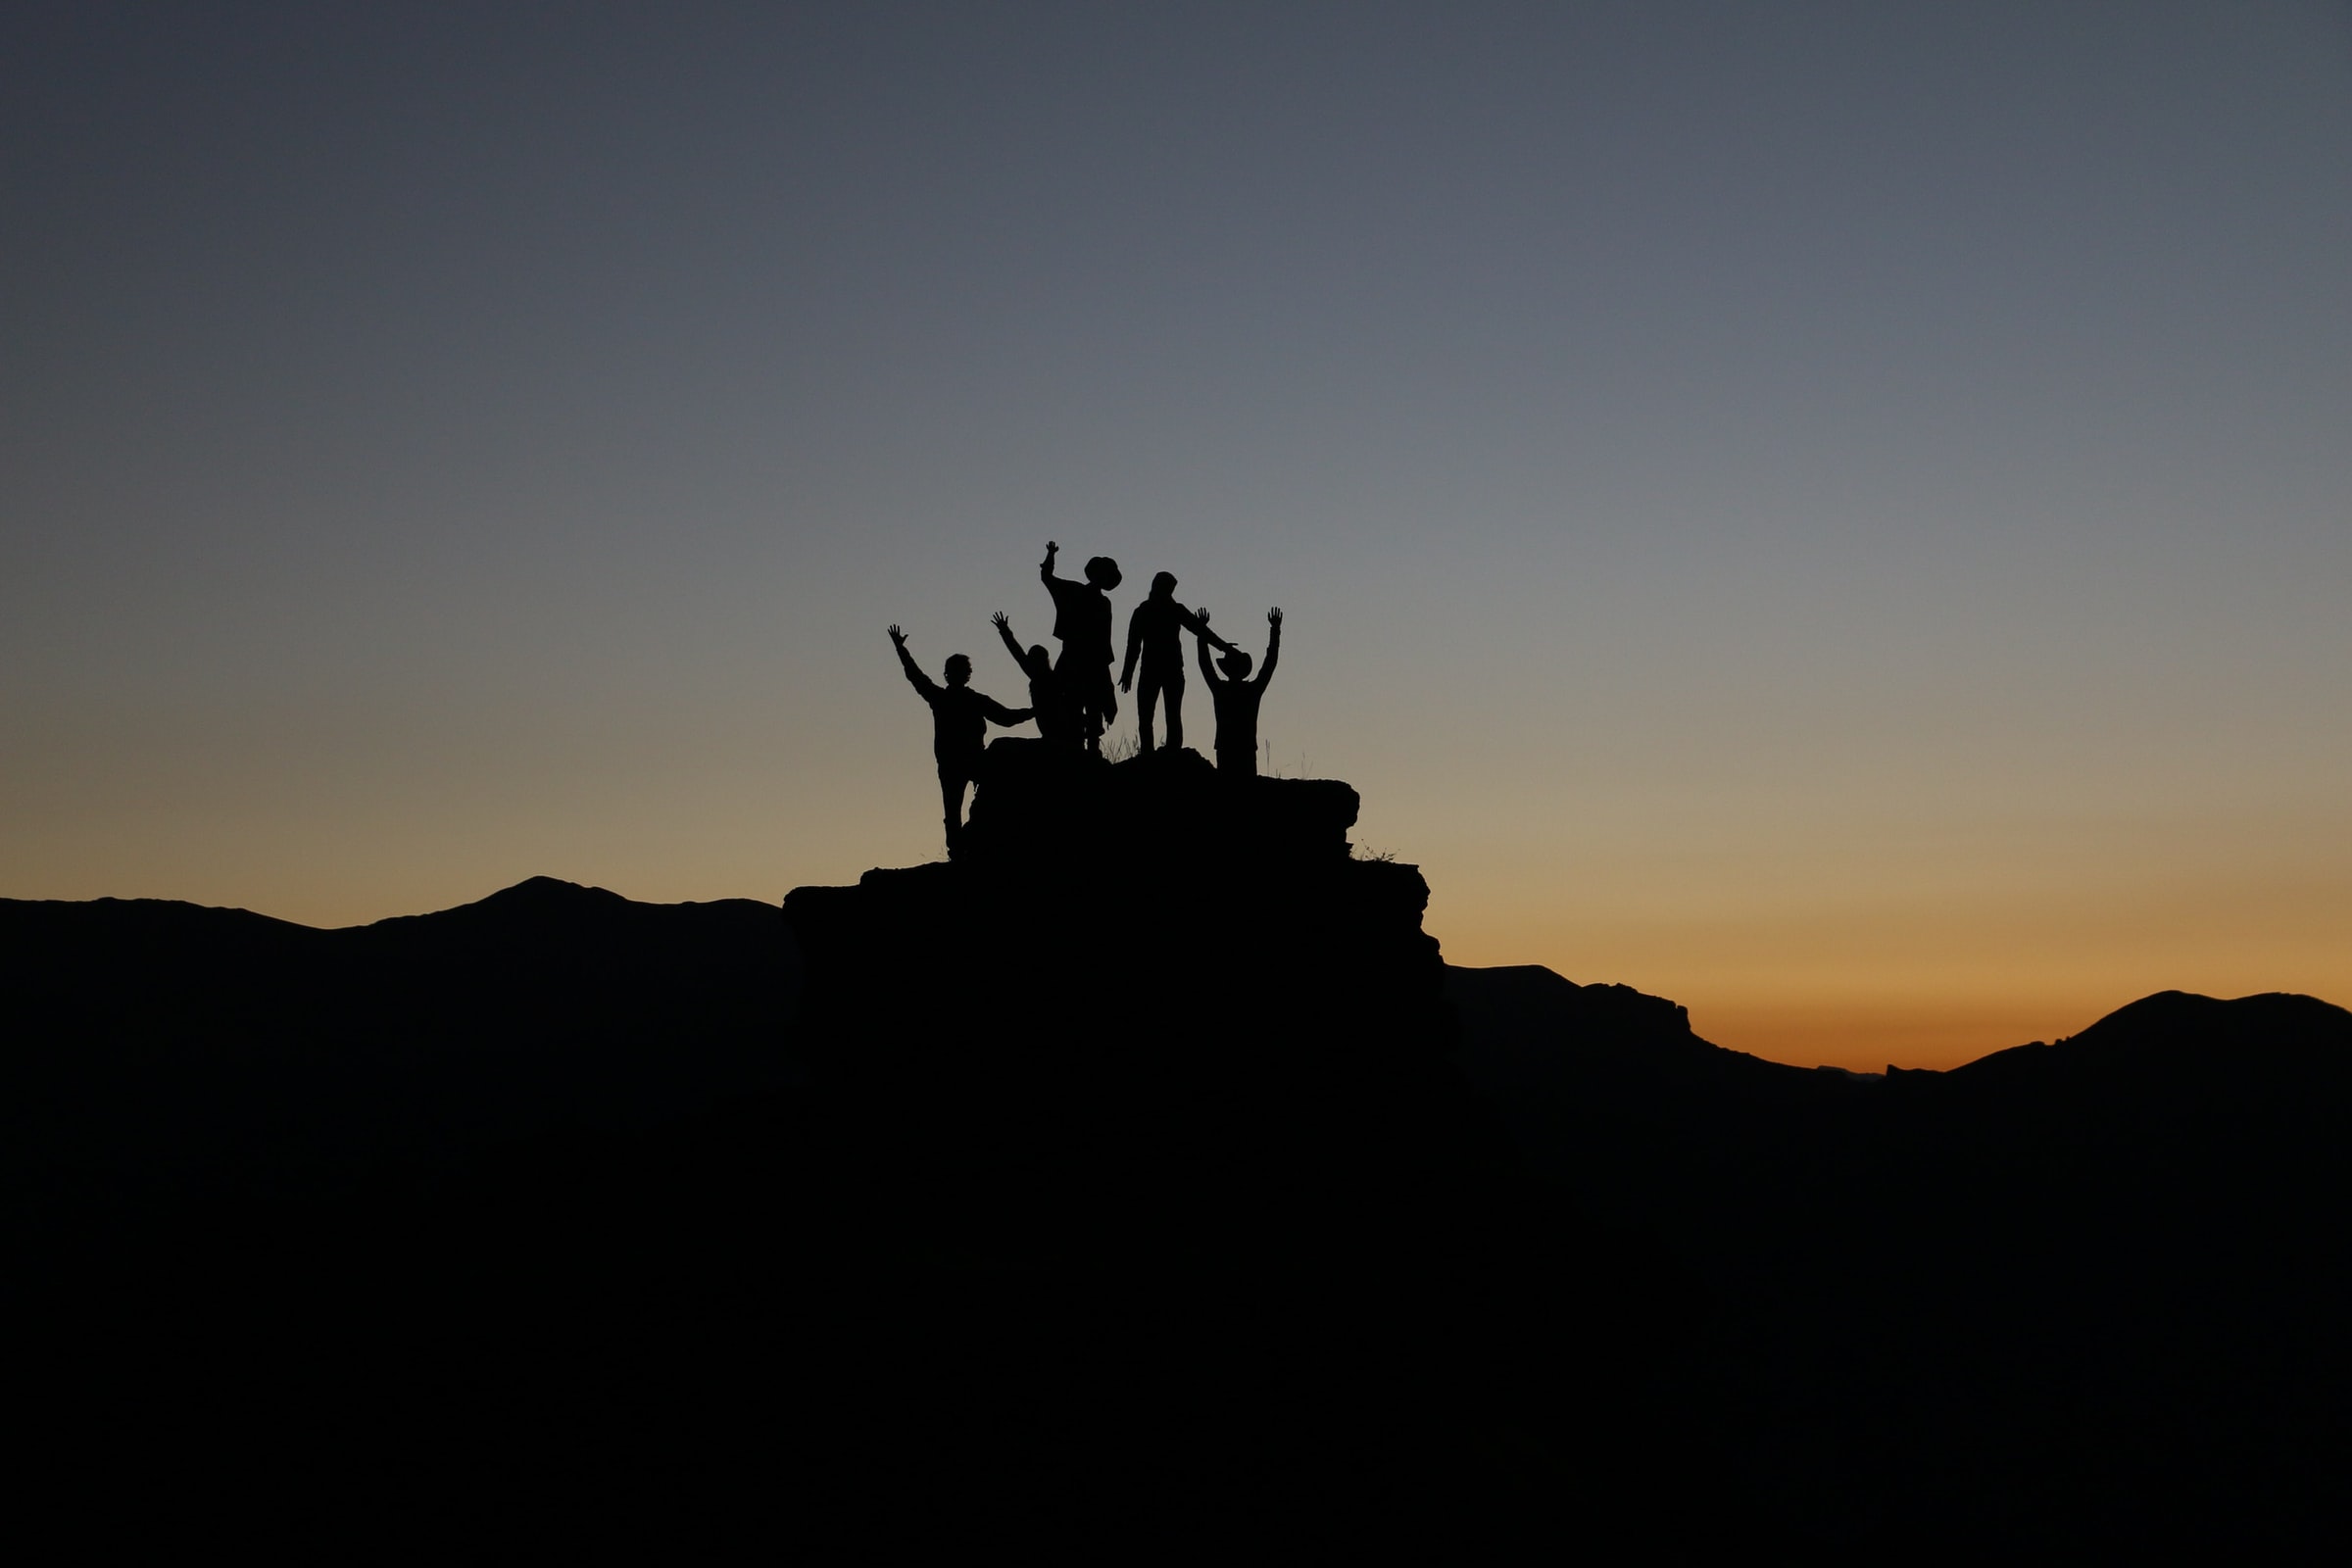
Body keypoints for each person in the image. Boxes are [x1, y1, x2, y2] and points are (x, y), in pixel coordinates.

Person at [889, 623, 1032, 854]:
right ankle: (961, 849)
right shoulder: (960, 699)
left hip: (959, 762)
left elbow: (915, 676)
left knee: (955, 809)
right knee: (956, 808)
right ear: (964, 675)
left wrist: (901, 650)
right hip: (960, 762)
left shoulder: (946, 698)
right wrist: (1034, 711)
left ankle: (962, 846)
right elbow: (1006, 718)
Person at [1119, 570, 1236, 755]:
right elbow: (1133, 645)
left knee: (1169, 714)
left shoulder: (1169, 610)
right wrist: (1127, 672)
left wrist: (1225, 648)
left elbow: (1201, 630)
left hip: (1168, 670)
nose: (1170, 593)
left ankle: (1170, 751)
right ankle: (1149, 753)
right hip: (1153, 670)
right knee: (1149, 715)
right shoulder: (1146, 611)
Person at [1038, 541, 1120, 756]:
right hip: (1076, 659)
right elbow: (1047, 578)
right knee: (1071, 706)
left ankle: (1089, 753)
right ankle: (1076, 751)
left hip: (1094, 662)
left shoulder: (1104, 603)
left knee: (1093, 711)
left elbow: (1104, 638)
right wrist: (1051, 555)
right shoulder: (1074, 590)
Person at [1196, 607, 1282, 775]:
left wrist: (1202, 632)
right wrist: (1275, 630)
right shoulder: (1252, 691)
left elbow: (1204, 663)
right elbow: (1270, 663)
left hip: (1226, 747)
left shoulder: (1220, 689)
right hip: (1246, 748)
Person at [991, 611, 1079, 752]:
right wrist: (1005, 631)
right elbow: (1018, 653)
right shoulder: (1045, 676)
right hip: (1052, 729)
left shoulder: (1049, 678)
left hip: (1059, 728)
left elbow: (1018, 654)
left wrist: (1005, 631)